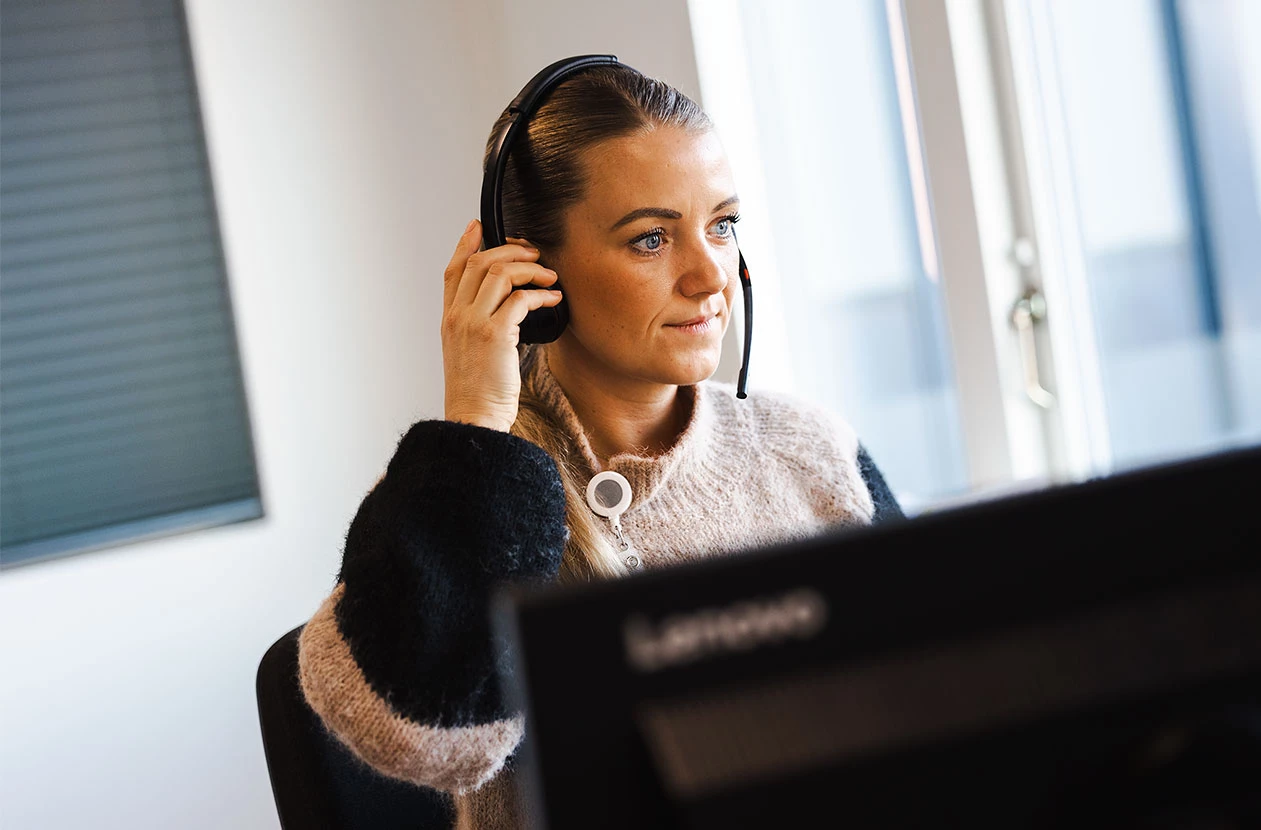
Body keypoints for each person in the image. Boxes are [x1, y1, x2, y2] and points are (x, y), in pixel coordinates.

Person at [296, 62, 903, 830]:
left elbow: (934, 706)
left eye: (721, 224)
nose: (710, 274)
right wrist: (476, 417)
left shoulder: (811, 453)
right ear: (532, 269)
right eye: (651, 238)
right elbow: (419, 735)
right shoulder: (471, 489)